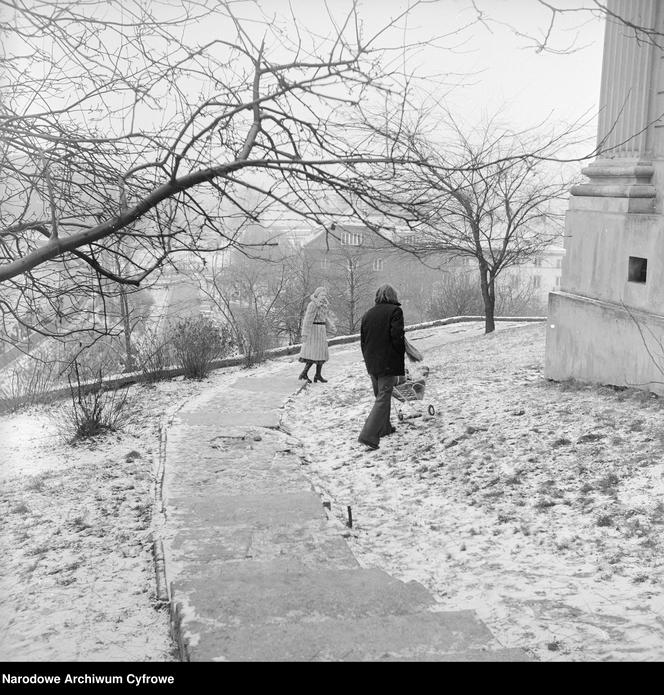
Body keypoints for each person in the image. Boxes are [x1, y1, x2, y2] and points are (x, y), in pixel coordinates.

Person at [358, 284, 406, 450]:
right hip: (387, 362)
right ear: (393, 296)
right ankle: (368, 435)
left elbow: (363, 341)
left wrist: (368, 360)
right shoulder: (395, 311)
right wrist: (400, 358)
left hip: (372, 362)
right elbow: (397, 338)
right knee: (383, 396)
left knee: (380, 395)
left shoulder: (367, 314)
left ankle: (384, 428)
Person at [298, 287, 335, 383]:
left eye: (324, 295)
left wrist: (331, 327)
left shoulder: (323, 306)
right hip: (314, 331)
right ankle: (303, 374)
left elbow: (325, 318)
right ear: (317, 295)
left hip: (321, 331)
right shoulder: (312, 305)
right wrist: (304, 334)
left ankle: (318, 375)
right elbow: (307, 319)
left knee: (321, 354)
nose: (323, 297)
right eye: (322, 295)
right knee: (313, 354)